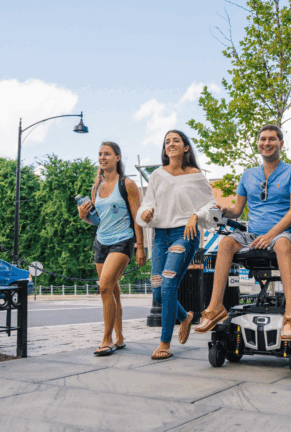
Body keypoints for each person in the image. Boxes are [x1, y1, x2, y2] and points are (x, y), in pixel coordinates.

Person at [194, 124, 291, 341]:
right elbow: (237, 211)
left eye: (272, 139)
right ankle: (215, 307)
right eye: (263, 139)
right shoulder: (248, 175)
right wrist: (225, 211)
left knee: (282, 243)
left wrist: (271, 235)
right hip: (253, 235)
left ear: (281, 144)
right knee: (226, 242)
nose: (267, 143)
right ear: (258, 144)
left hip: (283, 235)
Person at [137, 130, 217, 360]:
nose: (170, 144)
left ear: (185, 148)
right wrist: (147, 213)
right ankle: (185, 317)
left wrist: (196, 215)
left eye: (176, 141)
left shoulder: (196, 175)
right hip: (160, 236)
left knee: (169, 285)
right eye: (167, 142)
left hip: (185, 233)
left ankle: (164, 343)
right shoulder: (156, 175)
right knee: (158, 291)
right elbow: (146, 206)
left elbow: (211, 204)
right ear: (165, 149)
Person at [78, 142, 146, 356]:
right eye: (99, 154)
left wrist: (140, 246)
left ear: (117, 157)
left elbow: (138, 218)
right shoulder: (96, 185)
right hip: (101, 242)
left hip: (122, 241)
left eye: (107, 154)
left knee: (105, 286)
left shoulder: (128, 184)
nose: (102, 158)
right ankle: (120, 337)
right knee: (112, 289)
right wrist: (84, 217)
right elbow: (97, 220)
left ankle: (106, 339)